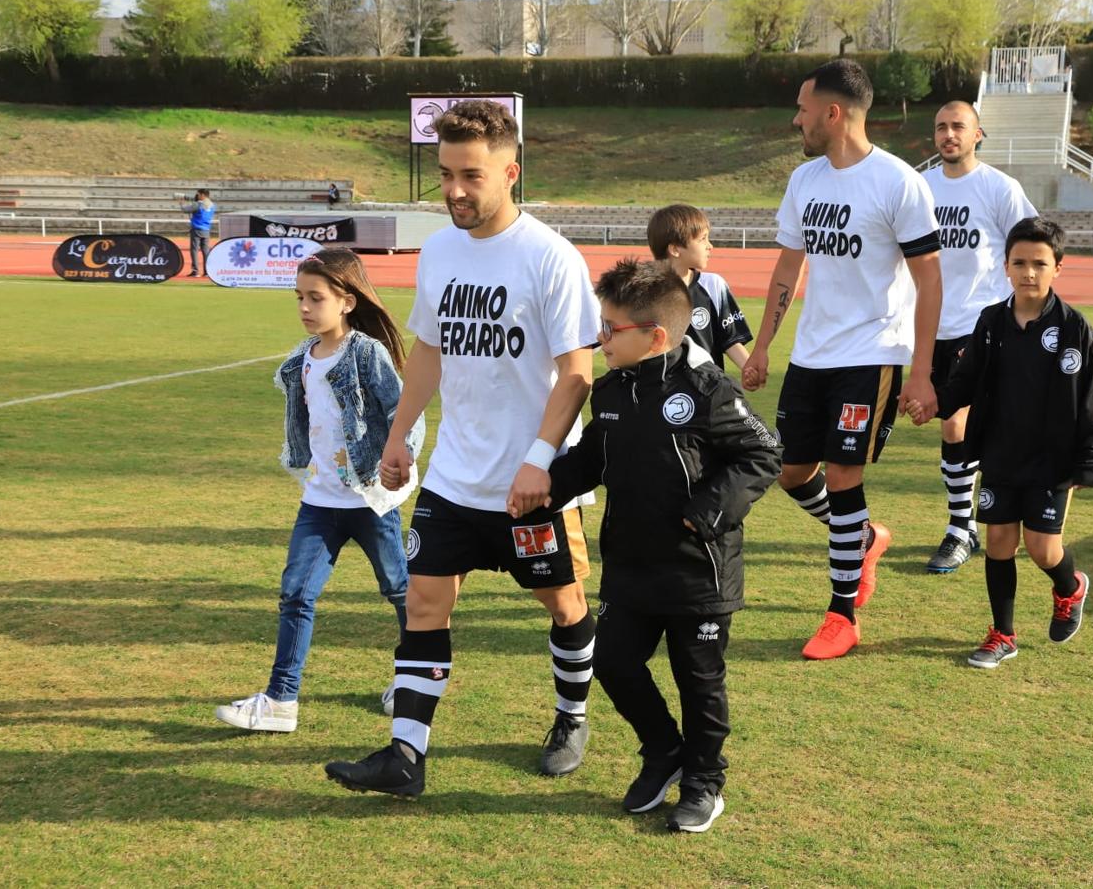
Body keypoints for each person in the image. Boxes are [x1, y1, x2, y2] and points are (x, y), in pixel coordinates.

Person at [324, 100, 601, 799]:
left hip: (532, 483)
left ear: (511, 171)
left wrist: (541, 460)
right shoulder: (441, 250)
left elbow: (577, 372)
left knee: (564, 605)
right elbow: (429, 347)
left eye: (470, 176)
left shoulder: (551, 258)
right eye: (445, 174)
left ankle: (571, 718)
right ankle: (405, 756)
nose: (453, 191)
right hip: (452, 478)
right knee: (423, 604)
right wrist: (398, 435)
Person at [546, 260, 781, 833]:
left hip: (698, 570)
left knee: (698, 680)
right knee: (615, 662)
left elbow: (763, 454)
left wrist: (706, 514)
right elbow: (592, 459)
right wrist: (540, 487)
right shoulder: (608, 392)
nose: (599, 339)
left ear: (654, 336)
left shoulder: (706, 389)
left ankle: (704, 780)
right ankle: (663, 751)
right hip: (630, 565)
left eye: (610, 329)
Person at [742, 59, 943, 660]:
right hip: (811, 356)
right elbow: (787, 267)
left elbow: (929, 282)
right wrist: (762, 345)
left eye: (803, 109)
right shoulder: (804, 181)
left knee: (842, 475)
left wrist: (923, 370)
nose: (796, 120)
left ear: (834, 113)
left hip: (872, 352)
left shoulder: (899, 182)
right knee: (790, 473)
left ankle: (841, 615)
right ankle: (863, 540)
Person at [214, 249, 422, 732]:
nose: (305, 307)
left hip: (370, 501)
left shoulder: (366, 353)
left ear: (347, 301)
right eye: (299, 298)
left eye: (316, 298)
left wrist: (400, 455)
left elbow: (403, 411)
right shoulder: (300, 360)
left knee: (399, 590)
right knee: (295, 596)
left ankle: (414, 680)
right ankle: (282, 701)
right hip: (319, 504)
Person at [934, 217, 1093, 670]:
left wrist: (1090, 459)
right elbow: (965, 379)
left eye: (1039, 263)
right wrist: (933, 403)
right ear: (1006, 267)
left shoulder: (1074, 328)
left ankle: (1070, 588)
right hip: (1001, 454)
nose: (1029, 272)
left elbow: (1091, 399)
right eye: (1019, 263)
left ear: (1057, 269)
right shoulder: (991, 322)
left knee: (1042, 549)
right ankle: (1002, 633)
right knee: (998, 544)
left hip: (1054, 460)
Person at [922, 100, 1037, 575]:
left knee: (959, 424)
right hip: (930, 327)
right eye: (942, 127)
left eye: (959, 127)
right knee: (951, 426)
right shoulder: (919, 187)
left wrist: (1029, 314)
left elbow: (1033, 243)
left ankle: (958, 527)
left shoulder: (999, 188)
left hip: (983, 326)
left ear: (978, 134)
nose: (949, 134)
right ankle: (968, 523)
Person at [647, 204, 754, 373]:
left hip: (707, 389)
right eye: (702, 239)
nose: (709, 245)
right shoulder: (642, 291)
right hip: (661, 391)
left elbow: (730, 339)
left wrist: (749, 368)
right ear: (675, 249)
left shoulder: (713, 285)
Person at [179, 188, 215, 278]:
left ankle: (195, 271)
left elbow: (185, 209)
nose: (197, 196)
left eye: (198, 194)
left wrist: (182, 202)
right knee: (205, 250)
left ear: (202, 195)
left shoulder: (198, 204)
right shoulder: (212, 205)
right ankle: (207, 271)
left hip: (197, 229)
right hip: (206, 229)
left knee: (194, 250)